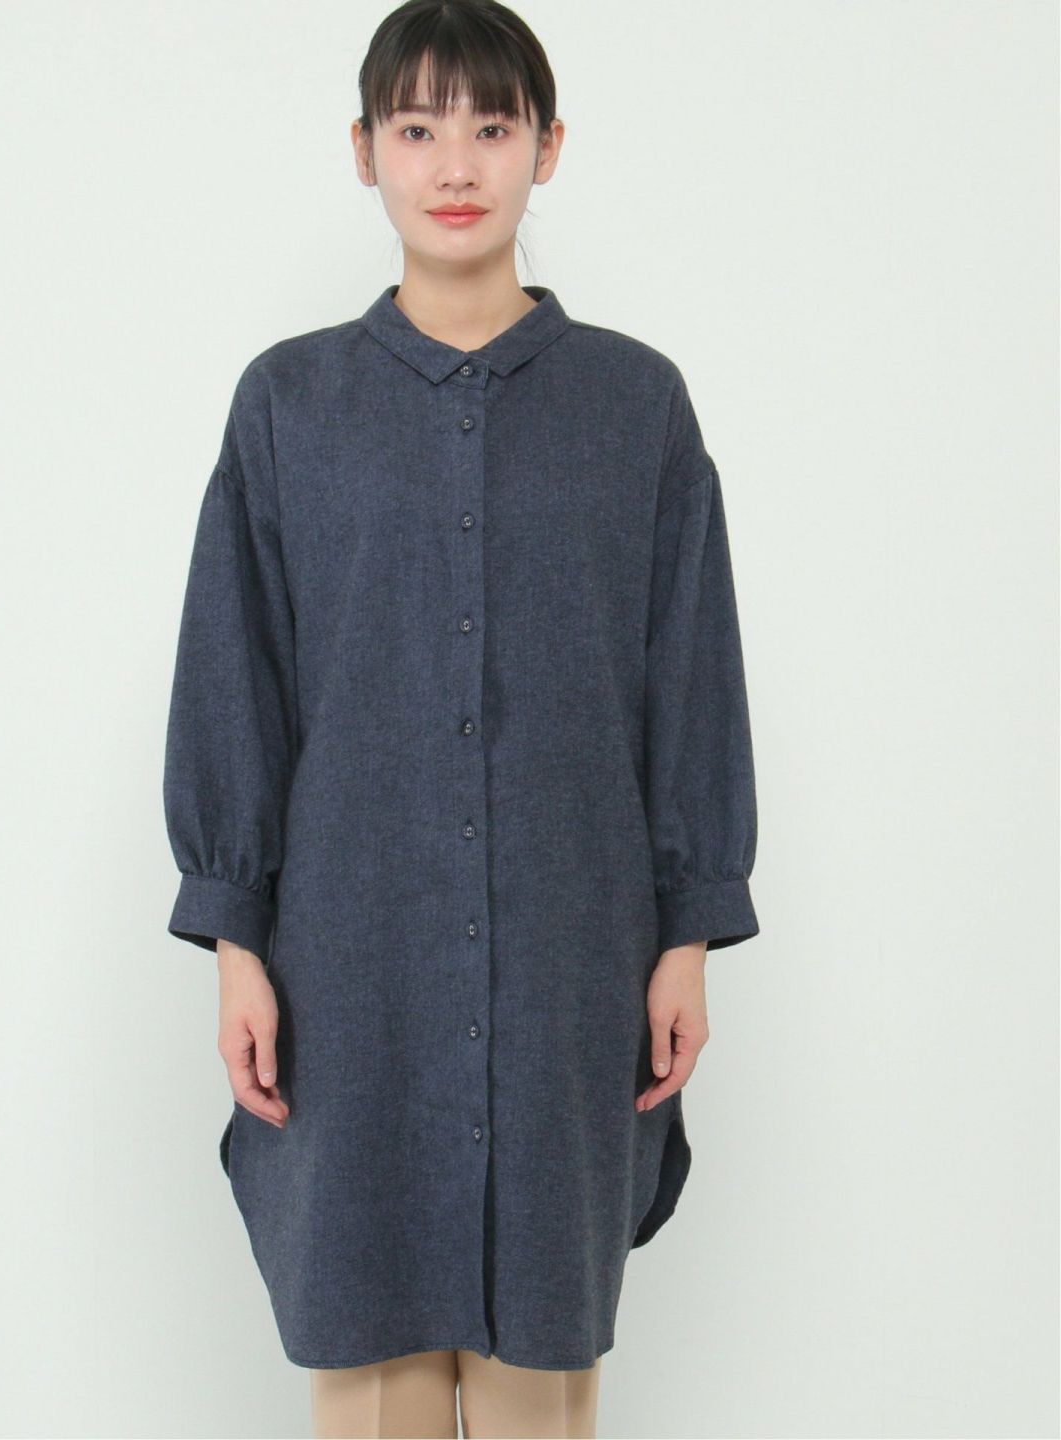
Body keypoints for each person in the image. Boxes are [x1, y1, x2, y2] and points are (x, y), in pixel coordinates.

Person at [162, 1, 761, 1436]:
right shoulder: (288, 405)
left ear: (546, 148)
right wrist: (237, 942)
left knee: (542, 1371)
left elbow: (689, 674)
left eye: (491, 126)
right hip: (347, 964)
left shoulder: (637, 406)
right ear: (363, 148)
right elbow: (237, 676)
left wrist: (688, 929)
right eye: (418, 126)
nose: (454, 163)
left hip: (573, 958)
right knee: (367, 1356)